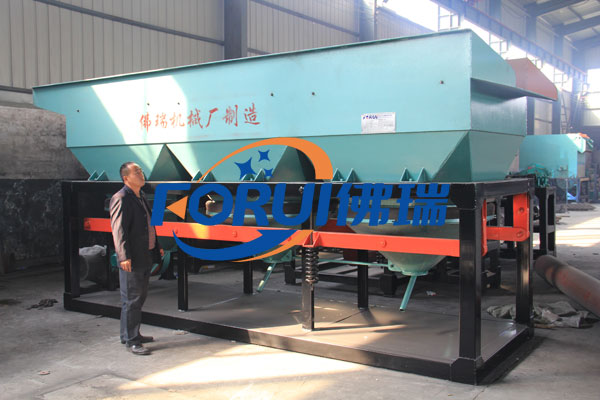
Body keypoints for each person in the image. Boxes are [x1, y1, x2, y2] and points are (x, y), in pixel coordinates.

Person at [110, 162, 163, 355]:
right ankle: (132, 341)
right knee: (131, 299)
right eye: (136, 172)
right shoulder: (121, 198)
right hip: (131, 257)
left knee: (138, 297)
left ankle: (129, 334)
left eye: (141, 171)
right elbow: (119, 230)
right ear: (126, 178)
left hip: (145, 253)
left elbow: (150, 225)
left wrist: (157, 246)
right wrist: (123, 256)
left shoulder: (140, 197)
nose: (141, 174)